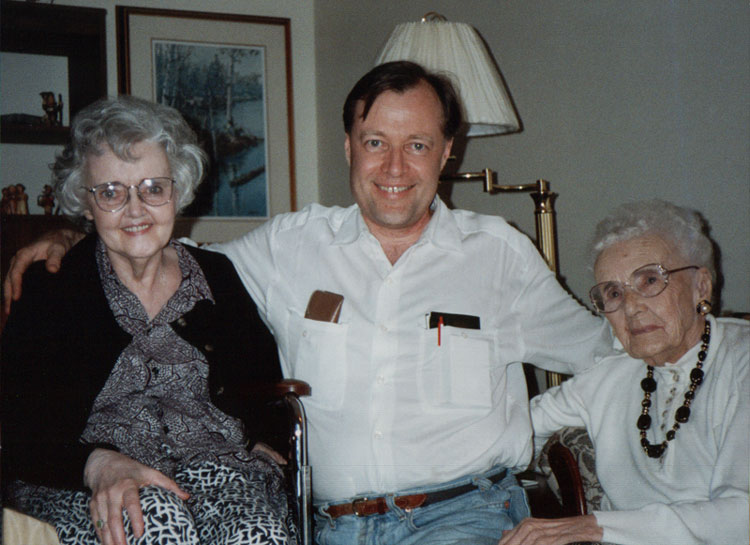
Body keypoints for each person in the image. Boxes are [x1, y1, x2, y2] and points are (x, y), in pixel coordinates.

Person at [3, 62, 611, 545]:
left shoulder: (499, 254)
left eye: (417, 145)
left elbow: (607, 354)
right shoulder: (291, 245)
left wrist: (531, 426)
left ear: (448, 151)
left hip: (462, 519)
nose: (394, 167)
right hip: (332, 527)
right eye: (376, 141)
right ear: (348, 147)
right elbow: (153, 246)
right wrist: (69, 240)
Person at [1, 96, 296, 545]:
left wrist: (262, 439)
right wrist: (95, 462)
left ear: (177, 190)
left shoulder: (216, 275)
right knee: (155, 518)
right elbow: (15, 423)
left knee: (259, 534)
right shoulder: (52, 287)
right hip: (86, 479)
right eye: (112, 192)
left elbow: (263, 381)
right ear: (85, 202)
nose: (136, 210)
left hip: (215, 471)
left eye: (153, 188)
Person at [498, 200, 749, 545]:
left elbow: (742, 518)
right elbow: (501, 439)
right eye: (613, 293)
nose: (631, 307)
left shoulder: (742, 361)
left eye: (649, 280)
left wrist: (594, 526)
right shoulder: (607, 377)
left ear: (701, 287)